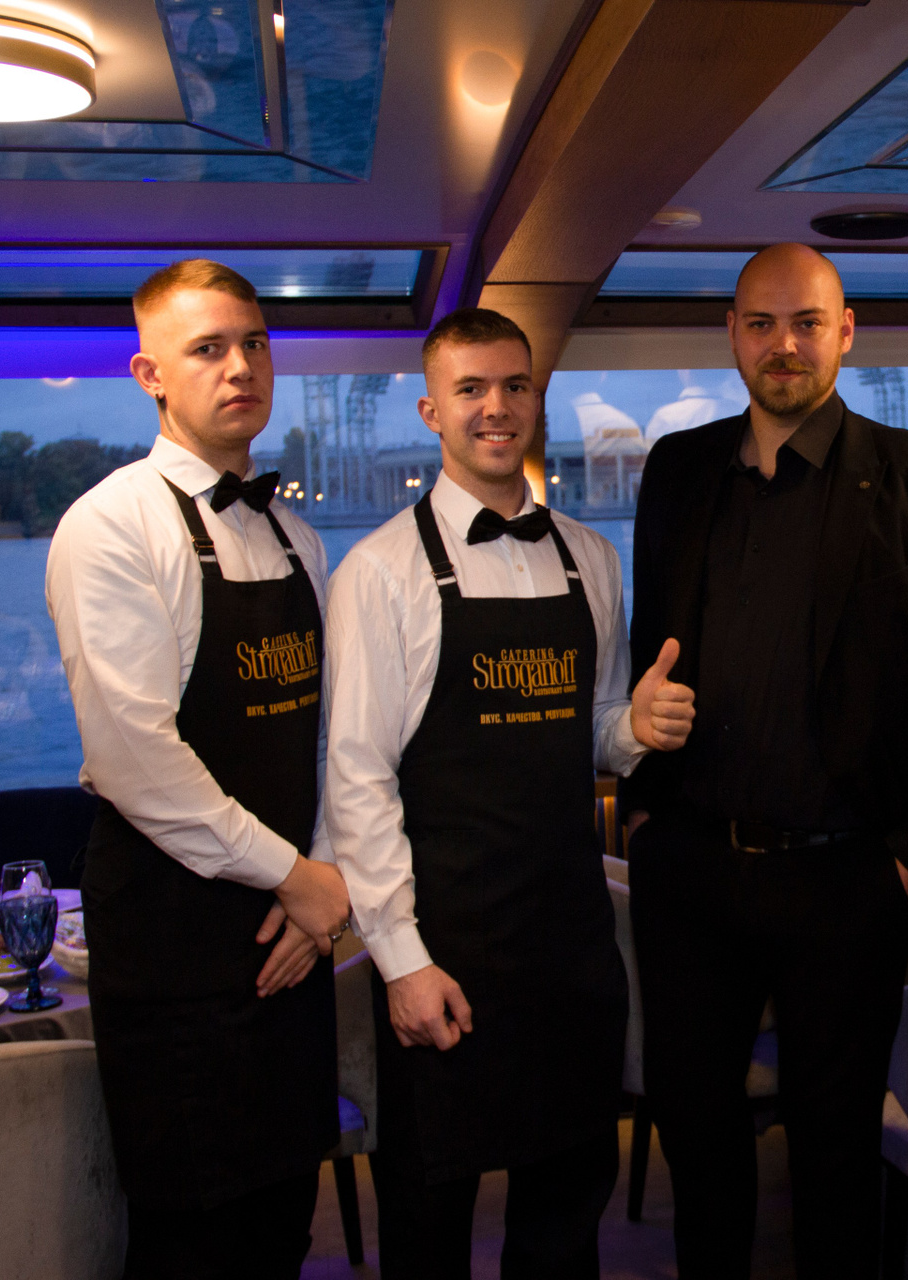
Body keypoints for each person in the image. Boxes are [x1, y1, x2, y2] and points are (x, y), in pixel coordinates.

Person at [623, 242, 908, 1277]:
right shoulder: (678, 468)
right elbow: (652, 644)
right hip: (691, 867)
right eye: (761, 324)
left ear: (845, 331)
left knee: (837, 1154)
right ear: (733, 335)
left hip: (850, 877)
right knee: (699, 1143)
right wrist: (645, 818)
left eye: (806, 322)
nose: (783, 345)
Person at [321, 308, 696, 1276]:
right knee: (428, 1226)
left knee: (566, 1225)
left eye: (515, 385)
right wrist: (402, 962)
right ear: (432, 410)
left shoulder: (590, 558)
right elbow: (357, 782)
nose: (497, 407)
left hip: (570, 950)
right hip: (445, 953)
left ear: (538, 399)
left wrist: (636, 726)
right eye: (472, 389)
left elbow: (594, 726)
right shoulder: (378, 572)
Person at [47, 259, 349, 1278]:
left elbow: (327, 737)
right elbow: (137, 759)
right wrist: (298, 877)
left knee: (281, 1225)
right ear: (150, 375)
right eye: (208, 348)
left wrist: (321, 886)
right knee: (191, 1241)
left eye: (254, 343)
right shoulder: (109, 525)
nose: (240, 367)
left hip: (290, 938)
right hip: (174, 940)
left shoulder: (296, 535)